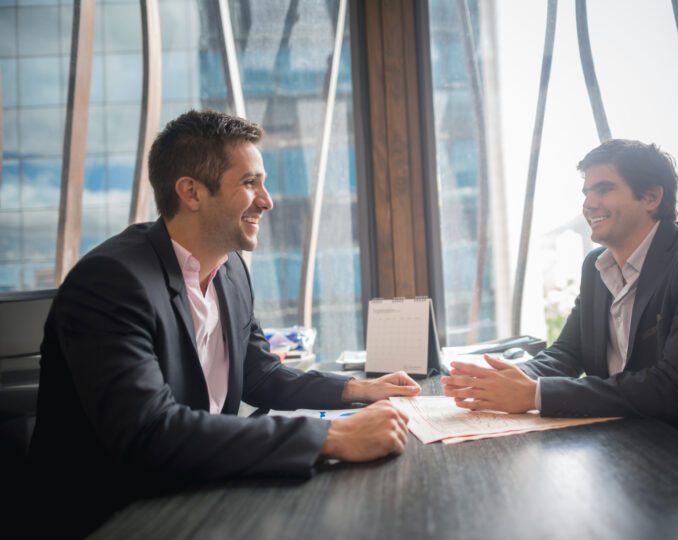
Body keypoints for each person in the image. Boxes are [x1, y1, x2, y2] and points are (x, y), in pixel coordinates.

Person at [28, 110, 420, 535]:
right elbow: (149, 433)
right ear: (192, 192)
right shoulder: (111, 282)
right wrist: (331, 437)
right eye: (250, 183)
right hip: (118, 517)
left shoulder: (230, 269)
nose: (267, 200)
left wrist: (355, 388)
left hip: (202, 495)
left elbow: (257, 372)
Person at [442, 139, 678, 468]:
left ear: (651, 197)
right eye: (586, 192)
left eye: (603, 189)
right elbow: (566, 355)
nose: (589, 204)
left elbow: (676, 387)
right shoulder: (596, 267)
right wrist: (497, 381)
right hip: (630, 445)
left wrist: (534, 395)